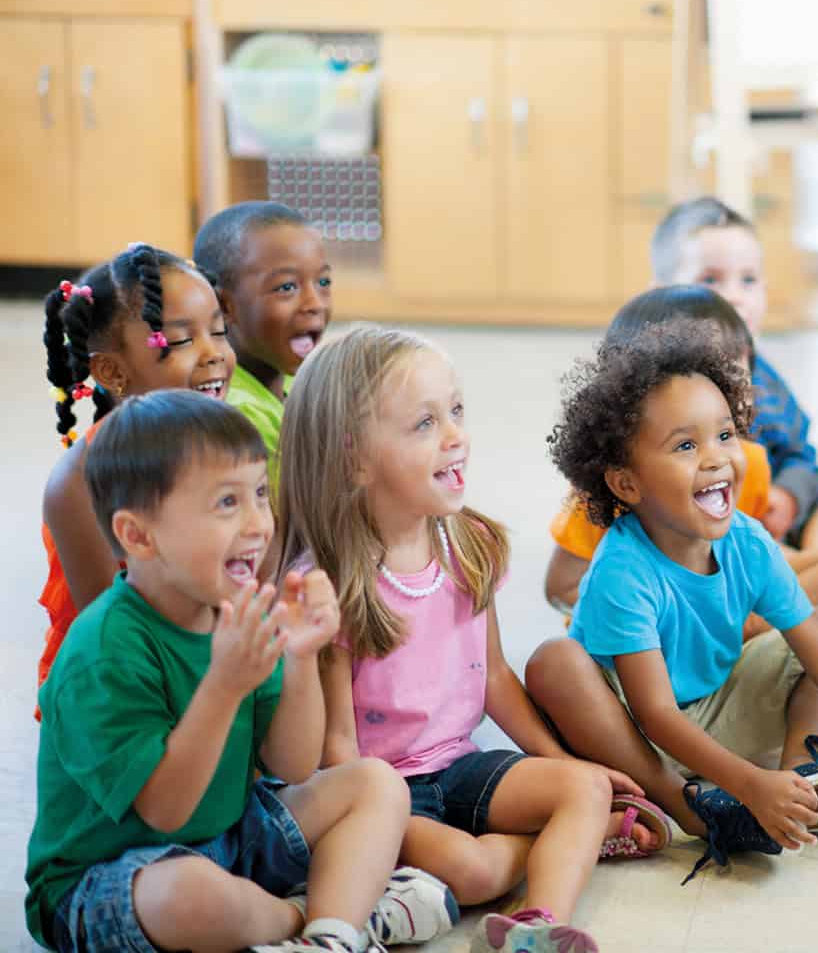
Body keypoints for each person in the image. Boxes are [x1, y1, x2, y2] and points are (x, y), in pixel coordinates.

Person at [25, 390, 457, 953]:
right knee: (187, 895)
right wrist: (224, 686)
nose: (258, 523)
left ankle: (330, 937)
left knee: (375, 782)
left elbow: (293, 764)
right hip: (111, 878)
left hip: (228, 838)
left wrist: (300, 656)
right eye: (226, 503)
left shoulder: (236, 606)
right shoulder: (102, 651)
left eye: (259, 493)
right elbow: (165, 810)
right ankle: (315, 916)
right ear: (137, 535)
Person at [281, 326, 663, 953]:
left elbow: (494, 680)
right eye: (424, 424)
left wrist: (562, 764)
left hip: (459, 762)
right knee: (475, 871)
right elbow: (338, 748)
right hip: (387, 793)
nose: (455, 435)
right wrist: (364, 830)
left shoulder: (467, 545)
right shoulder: (328, 584)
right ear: (354, 457)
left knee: (587, 787)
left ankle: (538, 925)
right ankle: (580, 840)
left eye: (455, 411)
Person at [526, 321, 818, 883]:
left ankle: (799, 783)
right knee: (554, 662)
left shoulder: (749, 541)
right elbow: (657, 714)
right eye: (686, 445)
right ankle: (693, 806)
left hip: (717, 706)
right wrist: (745, 781)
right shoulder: (623, 570)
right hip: (636, 733)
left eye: (725, 435)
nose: (716, 458)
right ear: (626, 484)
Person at [544, 286, 818, 631]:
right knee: (556, 664)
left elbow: (749, 556)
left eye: (734, 373)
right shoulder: (608, 485)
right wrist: (653, 609)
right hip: (642, 643)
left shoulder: (748, 463)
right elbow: (561, 587)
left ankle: (735, 640)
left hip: (725, 618)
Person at [38, 243, 235, 711]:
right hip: (119, 691)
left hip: (205, 654)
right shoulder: (81, 483)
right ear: (112, 371)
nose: (214, 354)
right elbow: (109, 636)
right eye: (182, 341)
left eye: (220, 331)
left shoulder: (225, 443)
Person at [650, 197, 818, 551]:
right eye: (710, 280)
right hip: (703, 527)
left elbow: (800, 454)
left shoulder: (764, 378)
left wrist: (788, 496)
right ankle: (809, 575)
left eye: (748, 280)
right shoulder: (655, 382)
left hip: (768, 520)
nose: (735, 297)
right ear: (662, 296)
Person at [194, 201, 333, 494]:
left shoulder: (300, 381)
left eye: (323, 281)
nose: (315, 303)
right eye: (286, 287)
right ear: (223, 305)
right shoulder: (237, 418)